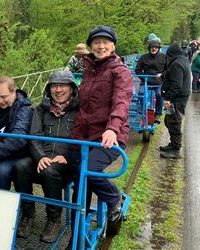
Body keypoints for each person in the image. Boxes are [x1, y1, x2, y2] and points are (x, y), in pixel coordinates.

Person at [66, 25, 133, 250]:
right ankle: (76, 239)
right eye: (96, 42)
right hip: (83, 136)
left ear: (113, 46)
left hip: (109, 135)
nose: (101, 46)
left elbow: (121, 101)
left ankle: (114, 198)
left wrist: (113, 128)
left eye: (105, 42)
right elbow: (82, 104)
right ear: (91, 46)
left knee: (88, 172)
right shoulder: (88, 69)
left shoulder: (120, 71)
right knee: (79, 186)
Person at [13, 70, 79, 243]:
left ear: (72, 89)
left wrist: (68, 156)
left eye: (63, 85)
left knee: (50, 171)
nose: (58, 90)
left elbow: (83, 137)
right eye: (54, 86)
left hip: (66, 163)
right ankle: (27, 214)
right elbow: (34, 136)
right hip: (42, 159)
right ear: (49, 89)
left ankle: (54, 218)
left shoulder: (80, 111)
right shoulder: (41, 110)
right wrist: (40, 156)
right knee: (20, 166)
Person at [160, 43, 191, 159]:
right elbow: (176, 77)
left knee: (174, 122)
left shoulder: (176, 64)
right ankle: (173, 144)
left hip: (176, 99)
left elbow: (177, 85)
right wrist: (164, 76)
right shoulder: (182, 60)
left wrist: (168, 98)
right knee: (169, 120)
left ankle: (176, 150)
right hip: (178, 97)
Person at [135, 33, 167, 123]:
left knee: (160, 95)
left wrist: (162, 75)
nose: (154, 49)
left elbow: (167, 69)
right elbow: (138, 69)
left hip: (158, 82)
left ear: (158, 48)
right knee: (141, 93)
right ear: (149, 48)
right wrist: (143, 78)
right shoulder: (144, 57)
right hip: (146, 81)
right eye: (152, 47)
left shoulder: (164, 57)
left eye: (156, 47)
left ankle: (157, 114)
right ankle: (141, 111)